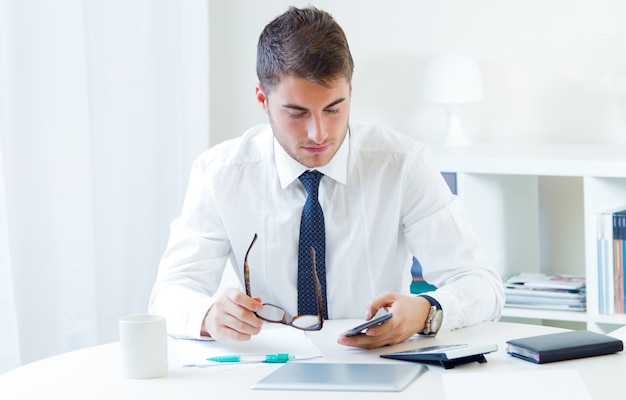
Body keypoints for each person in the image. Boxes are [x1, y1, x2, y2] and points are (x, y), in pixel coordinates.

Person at [149, 6, 504, 349]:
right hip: (264, 368)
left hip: (379, 368)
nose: (318, 133)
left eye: (334, 109)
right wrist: (208, 314)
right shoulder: (219, 173)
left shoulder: (403, 164)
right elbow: (167, 294)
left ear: (350, 92)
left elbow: (482, 285)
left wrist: (425, 312)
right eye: (296, 112)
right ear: (262, 98)